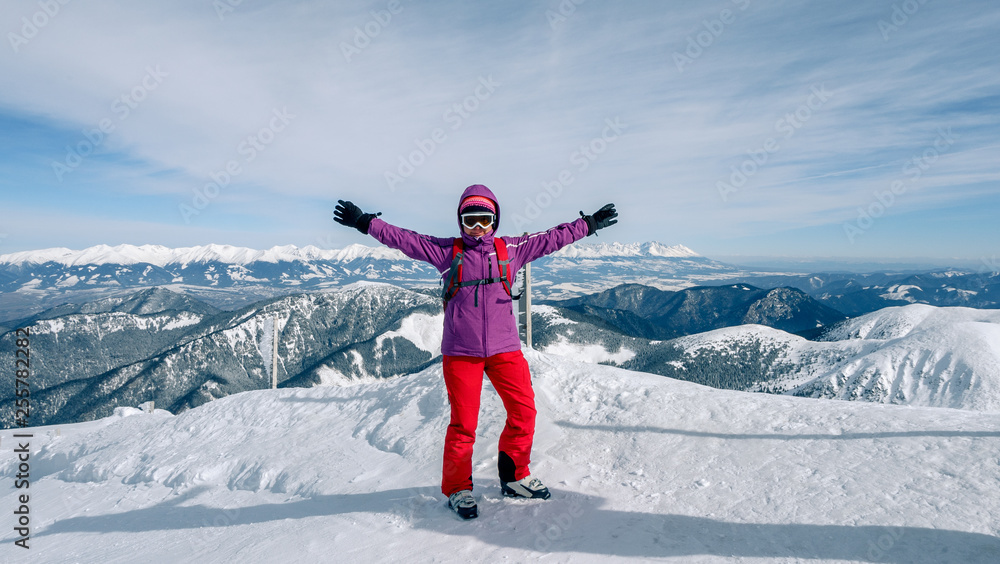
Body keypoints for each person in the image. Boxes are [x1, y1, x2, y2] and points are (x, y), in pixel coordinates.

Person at [333, 184, 618, 519]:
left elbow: (551, 238)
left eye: (485, 220)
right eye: (471, 221)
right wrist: (365, 222)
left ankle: (515, 477)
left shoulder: (510, 249)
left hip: (505, 350)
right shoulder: (447, 252)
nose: (478, 229)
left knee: (524, 413)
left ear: (495, 221)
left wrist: (588, 225)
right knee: (463, 425)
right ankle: (458, 489)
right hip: (462, 353)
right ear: (460, 222)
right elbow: (404, 239)